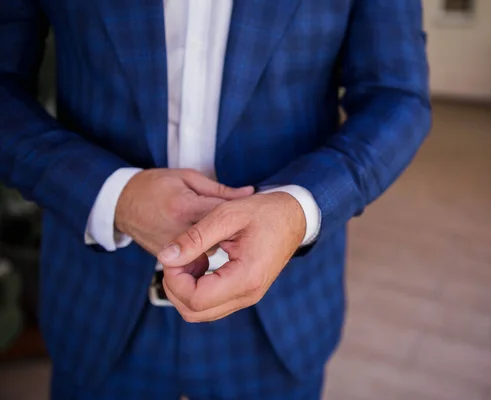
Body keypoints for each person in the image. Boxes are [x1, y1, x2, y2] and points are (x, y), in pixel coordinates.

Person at [0, 0, 431, 398]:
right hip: (95, 303)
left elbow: (397, 96)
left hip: (278, 314)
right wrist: (113, 195)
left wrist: (299, 208)